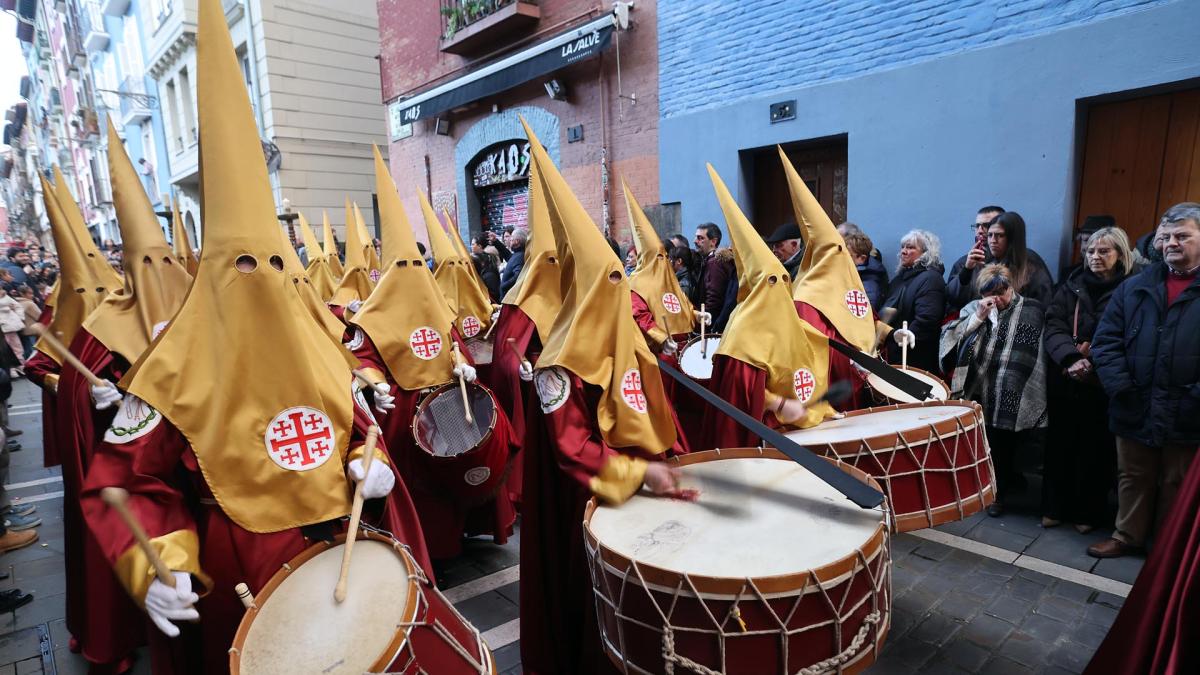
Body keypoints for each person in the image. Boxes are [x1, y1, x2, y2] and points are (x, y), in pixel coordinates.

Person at [80, 6, 427, 671]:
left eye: (273, 264)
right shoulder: (168, 372)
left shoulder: (320, 341)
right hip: (235, 568)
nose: (262, 281)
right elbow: (124, 484)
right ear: (210, 276)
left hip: (342, 541)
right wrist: (158, 564)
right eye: (242, 266)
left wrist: (372, 455)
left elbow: (358, 423)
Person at [517, 120, 685, 674]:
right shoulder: (557, 367)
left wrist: (669, 456)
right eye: (610, 284)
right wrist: (641, 475)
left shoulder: (628, 346)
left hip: (635, 492)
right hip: (587, 506)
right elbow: (572, 451)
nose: (622, 295)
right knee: (597, 613)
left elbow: (650, 408)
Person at [1088, 202, 1200, 559]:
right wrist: (1121, 387)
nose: (1171, 243)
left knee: (1176, 483)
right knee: (1133, 476)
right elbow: (1105, 342)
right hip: (1134, 401)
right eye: (1166, 236)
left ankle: (1166, 548)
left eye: (1182, 236)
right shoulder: (1135, 287)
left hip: (1188, 408)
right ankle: (1127, 536)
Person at [702, 164, 834, 450]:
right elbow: (739, 395)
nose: (782, 286)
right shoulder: (744, 328)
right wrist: (777, 403)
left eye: (785, 279)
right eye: (773, 281)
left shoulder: (785, 318)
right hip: (751, 438)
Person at [1041, 226, 1139, 536]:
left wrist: (1092, 359)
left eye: (1104, 251)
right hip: (1067, 376)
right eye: (1091, 251)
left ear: (1120, 255)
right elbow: (1053, 324)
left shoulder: (1131, 289)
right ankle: (1054, 508)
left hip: (1103, 383)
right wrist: (1071, 358)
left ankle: (1087, 513)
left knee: (1095, 450)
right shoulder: (1071, 285)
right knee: (1059, 446)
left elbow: (1127, 335)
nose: (1095, 257)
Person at [940, 264, 1048, 517]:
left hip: (1017, 387)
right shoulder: (975, 308)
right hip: (983, 385)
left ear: (1012, 286)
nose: (998, 298)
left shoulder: (1032, 309)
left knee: (1012, 443)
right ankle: (993, 494)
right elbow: (951, 337)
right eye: (991, 293)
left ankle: (1006, 487)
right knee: (990, 442)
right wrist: (978, 317)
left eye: (1002, 291)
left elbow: (1038, 348)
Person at [881, 229, 946, 373]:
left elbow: (927, 320)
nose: (903, 251)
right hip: (894, 354)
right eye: (903, 247)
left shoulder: (931, 279)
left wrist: (900, 342)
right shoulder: (900, 279)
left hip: (914, 359)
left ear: (926, 253)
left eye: (910, 247)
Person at [946, 205, 1005, 314]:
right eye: (977, 226)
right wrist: (967, 270)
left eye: (986, 225)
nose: (980, 231)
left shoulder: (1019, 260)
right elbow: (951, 302)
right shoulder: (963, 263)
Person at [691, 222, 735, 320]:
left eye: (700, 238)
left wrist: (705, 321)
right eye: (696, 237)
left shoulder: (714, 263)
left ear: (713, 242)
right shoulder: (710, 261)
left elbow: (714, 298)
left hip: (711, 323)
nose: (695, 241)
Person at [844, 231, 888, 311]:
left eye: (848, 256)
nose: (843, 259)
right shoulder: (852, 276)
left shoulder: (869, 286)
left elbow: (864, 315)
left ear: (862, 258)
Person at [499, 227, 527, 295]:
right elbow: (507, 255)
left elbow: (518, 276)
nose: (509, 241)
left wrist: (504, 286)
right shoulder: (517, 254)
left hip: (510, 299)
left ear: (517, 241)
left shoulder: (519, 256)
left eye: (511, 239)